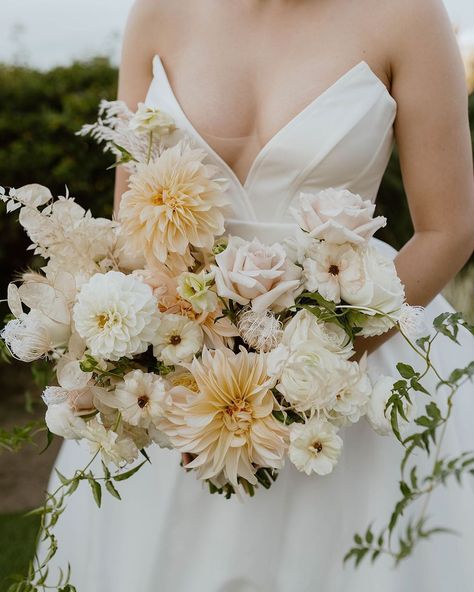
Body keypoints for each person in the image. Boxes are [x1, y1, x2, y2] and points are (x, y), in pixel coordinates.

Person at [42, 1, 474, 590]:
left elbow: (448, 230)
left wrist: (315, 370)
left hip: (356, 374)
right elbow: (131, 222)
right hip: (180, 374)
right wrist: (155, 362)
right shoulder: (159, 13)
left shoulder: (407, 15)